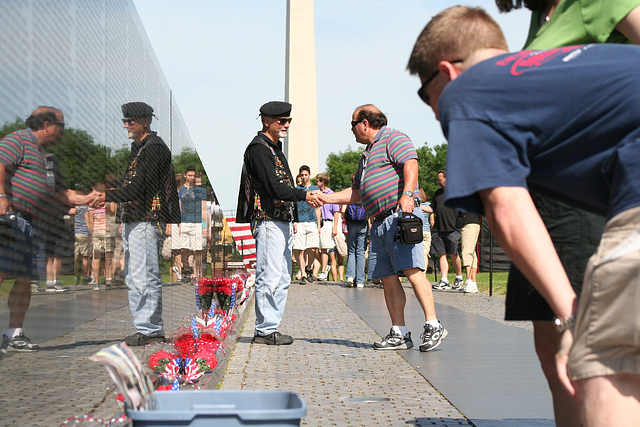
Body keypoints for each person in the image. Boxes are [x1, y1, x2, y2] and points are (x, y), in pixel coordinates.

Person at [407, 6, 640, 425]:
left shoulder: (469, 92)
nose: (434, 111)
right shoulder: (546, 73)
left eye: (427, 95)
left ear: (448, 72)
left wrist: (572, 318)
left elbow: (507, 205)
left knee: (605, 364)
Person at [495, 1, 640, 424]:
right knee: (550, 342)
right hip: (542, 200)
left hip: (589, 196)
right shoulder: (544, 12)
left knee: (587, 349)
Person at [310, 104, 447, 352]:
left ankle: (433, 324)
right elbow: (357, 193)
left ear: (364, 123)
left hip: (400, 216)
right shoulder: (366, 156)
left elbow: (411, 164)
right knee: (387, 277)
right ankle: (399, 332)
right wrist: (325, 198)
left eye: (352, 124)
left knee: (413, 269)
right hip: (379, 222)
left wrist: (407, 194)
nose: (351, 130)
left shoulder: (393, 137)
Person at [0, 106, 92, 356]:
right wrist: (1, 196)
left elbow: (62, 193)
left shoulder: (48, 159)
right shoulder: (18, 140)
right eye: (62, 125)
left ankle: (14, 335)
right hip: (11, 219)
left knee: (24, 279)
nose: (64, 131)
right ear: (47, 124)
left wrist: (89, 198)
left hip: (34, 224)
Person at [91, 102, 180, 347]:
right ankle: (146, 326)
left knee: (144, 275)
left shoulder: (153, 148)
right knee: (135, 276)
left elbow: (138, 188)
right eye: (125, 121)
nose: (127, 125)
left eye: (131, 121)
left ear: (145, 121)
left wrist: (107, 196)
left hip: (147, 218)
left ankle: (150, 329)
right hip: (135, 218)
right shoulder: (139, 148)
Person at [236, 101, 314, 346]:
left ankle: (271, 327)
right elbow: (275, 187)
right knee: (269, 276)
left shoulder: (273, 148)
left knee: (281, 277)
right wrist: (305, 195)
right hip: (267, 219)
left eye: (288, 120)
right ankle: (264, 330)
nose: (286, 125)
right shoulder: (259, 149)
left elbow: (284, 184)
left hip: (281, 219)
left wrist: (293, 217)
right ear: (266, 120)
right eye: (282, 121)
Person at [430, 170, 463, 290]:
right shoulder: (438, 193)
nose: (439, 181)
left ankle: (459, 276)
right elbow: (431, 208)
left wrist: (459, 225)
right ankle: (444, 280)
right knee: (442, 254)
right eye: (438, 180)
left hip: (452, 228)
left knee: (453, 254)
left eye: (440, 179)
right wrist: (418, 206)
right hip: (439, 229)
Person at [177, 166, 207, 281]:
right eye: (190, 175)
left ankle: (197, 272)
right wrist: (179, 223)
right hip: (184, 222)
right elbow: (180, 207)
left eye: (194, 176)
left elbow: (204, 208)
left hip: (197, 222)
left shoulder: (201, 191)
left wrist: (206, 225)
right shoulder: (181, 190)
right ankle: (187, 270)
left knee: (197, 250)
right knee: (184, 249)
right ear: (185, 175)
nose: (192, 178)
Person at [292, 165, 320, 284]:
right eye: (302, 175)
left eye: (305, 175)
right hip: (299, 221)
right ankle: (303, 273)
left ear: (309, 175)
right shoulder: (296, 190)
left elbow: (318, 208)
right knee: (300, 249)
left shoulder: (315, 189)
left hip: (311, 221)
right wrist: (293, 222)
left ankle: (309, 268)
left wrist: (319, 225)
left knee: (312, 247)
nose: (304, 177)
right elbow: (292, 207)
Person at [315, 173, 340, 281]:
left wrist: (334, 227)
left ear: (322, 181)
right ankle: (323, 268)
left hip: (327, 222)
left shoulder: (331, 194)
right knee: (317, 248)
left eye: (317, 181)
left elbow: (336, 212)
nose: (316, 183)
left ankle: (324, 270)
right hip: (319, 223)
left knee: (324, 248)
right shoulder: (318, 194)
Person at [343, 188, 369, 288]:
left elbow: (343, 210)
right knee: (361, 252)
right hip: (363, 224)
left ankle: (350, 276)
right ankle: (360, 281)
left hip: (351, 224)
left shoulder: (350, 193)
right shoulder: (365, 192)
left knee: (351, 250)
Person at [458, 212, 480, 293]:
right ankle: (473, 283)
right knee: (471, 252)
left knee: (466, 252)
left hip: (469, 224)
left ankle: (469, 281)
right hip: (472, 223)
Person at [418, 187, 433, 273]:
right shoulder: (429, 205)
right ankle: (424, 273)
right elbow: (432, 221)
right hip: (427, 231)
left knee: (416, 253)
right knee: (425, 253)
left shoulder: (415, 205)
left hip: (417, 231)